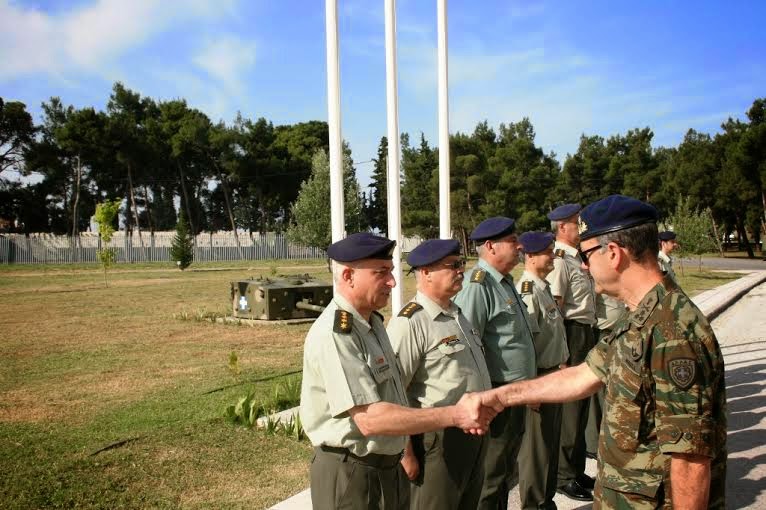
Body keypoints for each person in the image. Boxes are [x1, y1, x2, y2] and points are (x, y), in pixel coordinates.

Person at [480, 195, 728, 509]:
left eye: (587, 254)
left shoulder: (672, 334)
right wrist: (501, 397)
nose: (584, 264)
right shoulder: (638, 318)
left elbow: (690, 461)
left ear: (613, 253)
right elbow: (584, 376)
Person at [300, 232, 497, 510]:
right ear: (348, 276)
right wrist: (455, 415)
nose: (393, 282)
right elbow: (369, 419)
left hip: (384, 466)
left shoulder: (373, 324)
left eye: (391, 271)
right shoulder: (336, 334)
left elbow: (395, 394)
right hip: (353, 471)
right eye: (381, 272)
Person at [388, 239, 493, 510]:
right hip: (438, 439)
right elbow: (393, 391)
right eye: (453, 266)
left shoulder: (456, 314)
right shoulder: (411, 322)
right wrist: (405, 452)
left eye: (462, 264)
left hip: (472, 433)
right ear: (426, 273)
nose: (461, 271)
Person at [453, 217, 537, 510]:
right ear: (490, 246)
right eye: (513, 241)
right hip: (496, 394)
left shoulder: (505, 283)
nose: (519, 246)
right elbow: (469, 345)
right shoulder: (478, 286)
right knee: (492, 473)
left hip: (515, 393)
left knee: (505, 471)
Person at [546, 203, 597, 501]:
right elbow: (556, 309)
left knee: (583, 406)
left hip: (585, 332)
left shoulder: (576, 258)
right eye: (577, 224)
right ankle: (564, 475)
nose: (582, 229)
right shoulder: (560, 261)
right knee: (571, 409)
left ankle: (576, 469)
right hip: (572, 333)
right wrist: (562, 352)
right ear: (563, 227)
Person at [515, 231, 569, 510]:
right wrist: (532, 385)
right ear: (532, 256)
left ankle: (546, 502)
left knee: (550, 443)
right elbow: (526, 344)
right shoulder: (527, 291)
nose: (553, 256)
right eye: (548, 252)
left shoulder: (543, 287)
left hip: (553, 376)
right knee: (536, 451)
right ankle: (534, 504)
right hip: (540, 379)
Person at [585, 293, 628, 459]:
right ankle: (593, 443)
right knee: (597, 390)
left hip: (617, 331)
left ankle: (606, 439)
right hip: (602, 332)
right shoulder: (595, 271)